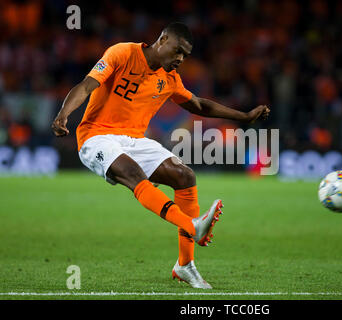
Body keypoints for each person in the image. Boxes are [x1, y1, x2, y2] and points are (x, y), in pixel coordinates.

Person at [51, 22, 270, 289]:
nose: (180, 59)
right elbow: (87, 85)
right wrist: (64, 114)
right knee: (133, 174)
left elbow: (199, 105)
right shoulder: (122, 53)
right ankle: (192, 225)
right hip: (96, 136)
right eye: (178, 51)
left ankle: (185, 266)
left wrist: (244, 116)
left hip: (134, 139)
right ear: (162, 40)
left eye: (185, 56)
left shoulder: (170, 79)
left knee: (184, 175)